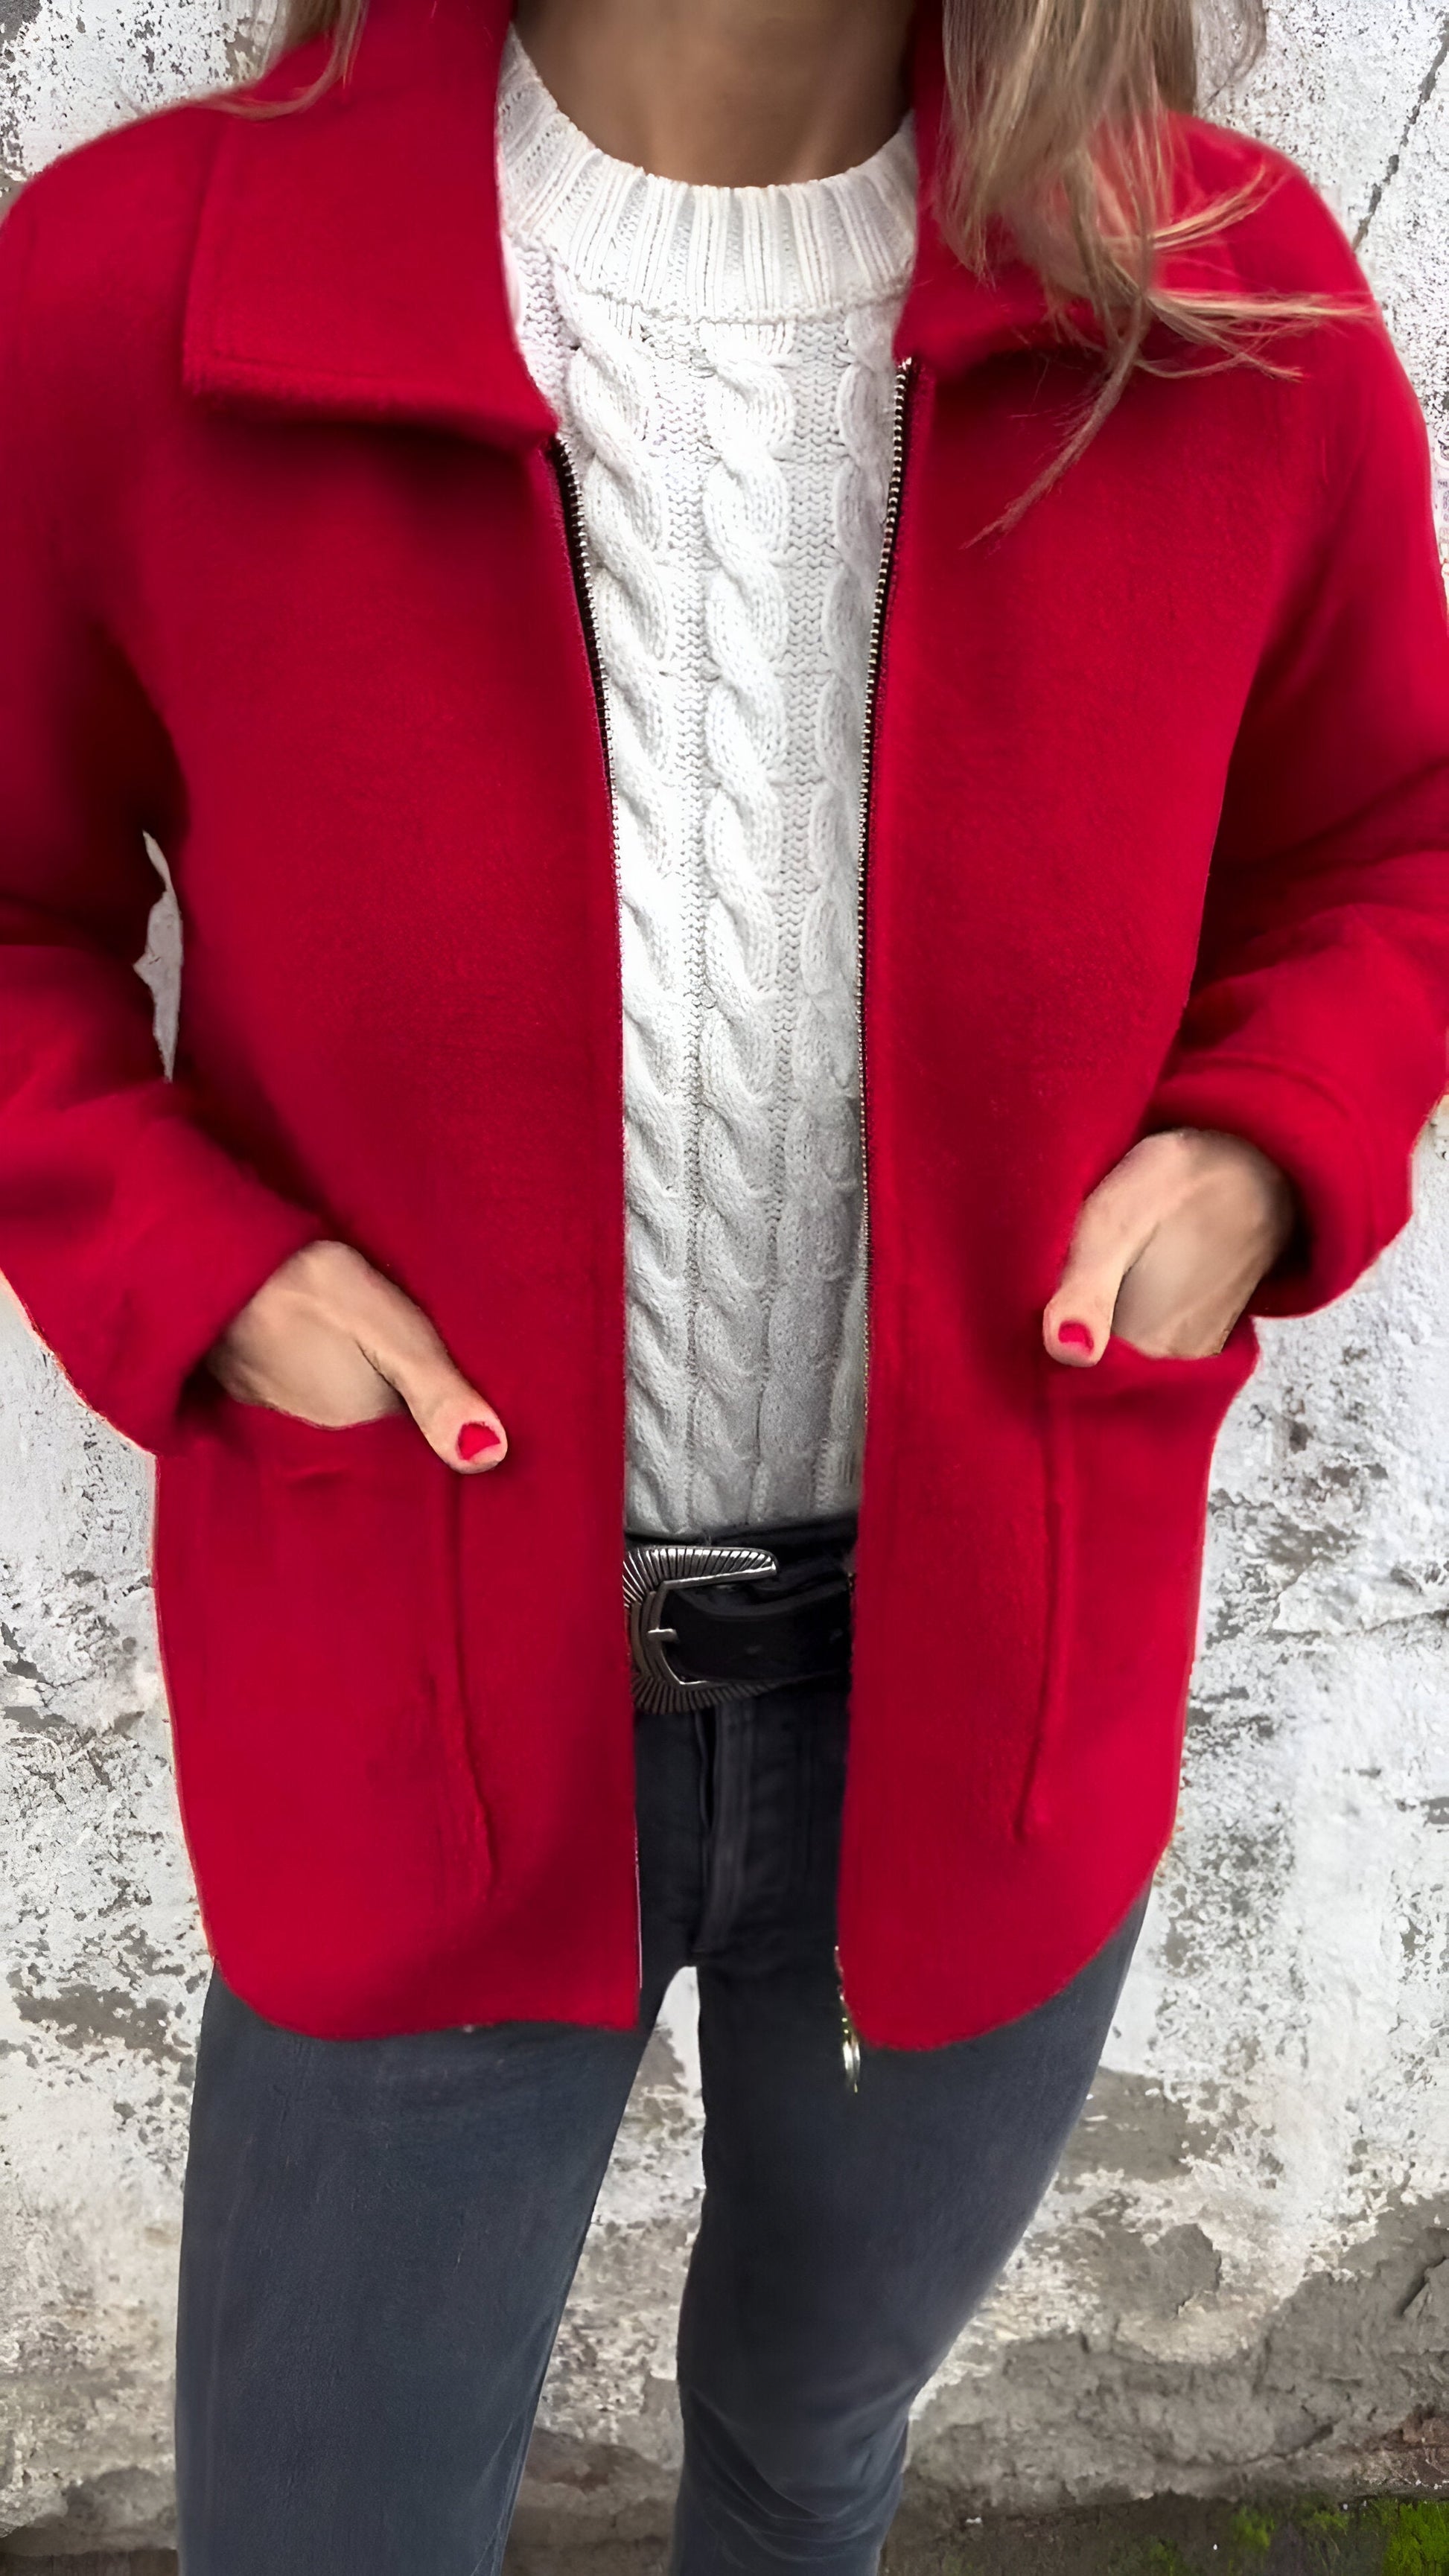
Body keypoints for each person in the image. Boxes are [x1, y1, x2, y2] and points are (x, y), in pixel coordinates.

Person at [1, 0, 1446, 2565]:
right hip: (413, 1677)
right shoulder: (139, 289)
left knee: (810, 2455)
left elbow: (1389, 842)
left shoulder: (1222, 300)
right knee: (324, 2522)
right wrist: (204, 1270)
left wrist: (1261, 1143)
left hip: (990, 1676)